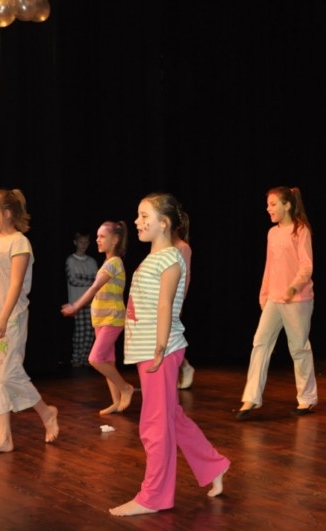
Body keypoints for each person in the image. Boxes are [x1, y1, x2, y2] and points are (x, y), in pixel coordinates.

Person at [110, 192, 230, 517]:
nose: (137, 221)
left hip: (159, 353)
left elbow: (166, 304)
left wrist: (160, 346)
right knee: (172, 418)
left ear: (163, 223)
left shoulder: (170, 259)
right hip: (149, 351)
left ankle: (154, 496)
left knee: (155, 425)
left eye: (144, 216)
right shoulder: (153, 258)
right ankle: (213, 465)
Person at [0, 189, 59, 456]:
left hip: (9, 318)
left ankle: (46, 412)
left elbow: (15, 285)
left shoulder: (19, 242)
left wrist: (2, 317)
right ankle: (4, 438)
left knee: (9, 374)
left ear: (7, 213)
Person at [236, 186, 318, 420]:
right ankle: (251, 397)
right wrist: (264, 294)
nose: (268, 209)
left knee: (299, 348)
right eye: (268, 204)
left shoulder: (300, 230)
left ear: (287, 205)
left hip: (297, 300)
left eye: (273, 204)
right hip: (274, 298)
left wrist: (294, 287)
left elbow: (306, 266)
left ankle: (307, 399)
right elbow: (270, 266)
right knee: (260, 342)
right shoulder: (272, 233)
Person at [61, 221, 134, 415]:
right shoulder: (107, 262)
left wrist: (76, 306)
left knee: (95, 359)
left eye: (102, 236)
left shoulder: (114, 262)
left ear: (115, 239)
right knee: (108, 361)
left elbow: (94, 288)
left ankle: (125, 388)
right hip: (101, 319)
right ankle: (116, 402)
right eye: (97, 236)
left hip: (112, 318)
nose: (97, 240)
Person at [65, 232, 99, 367]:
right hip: (77, 302)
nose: (84, 245)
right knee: (80, 332)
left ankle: (85, 358)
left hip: (91, 301)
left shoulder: (92, 261)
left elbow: (97, 280)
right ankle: (76, 358)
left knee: (89, 332)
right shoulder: (71, 260)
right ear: (75, 243)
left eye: (86, 242)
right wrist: (90, 281)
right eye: (81, 242)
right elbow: (73, 280)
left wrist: (85, 279)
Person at [172, 228, 195, 390]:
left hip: (173, 299)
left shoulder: (183, 247)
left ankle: (185, 366)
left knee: (170, 338)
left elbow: (185, 276)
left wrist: (179, 301)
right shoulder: (163, 245)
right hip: (158, 298)